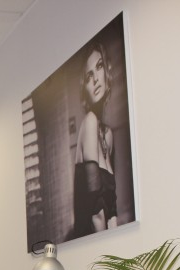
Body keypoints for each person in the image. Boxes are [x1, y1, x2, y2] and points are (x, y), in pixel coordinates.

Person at [73, 41, 117, 234]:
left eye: (99, 67)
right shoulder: (90, 122)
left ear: (107, 71)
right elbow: (96, 214)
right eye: (89, 76)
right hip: (93, 240)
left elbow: (111, 210)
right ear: (85, 88)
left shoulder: (108, 135)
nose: (96, 79)